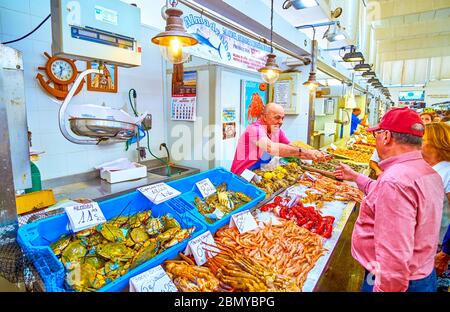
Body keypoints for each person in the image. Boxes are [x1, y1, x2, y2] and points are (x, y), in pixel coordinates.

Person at [334, 107, 444, 292]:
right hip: (422, 273)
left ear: (386, 136)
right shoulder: (426, 171)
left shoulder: (394, 181)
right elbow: (382, 193)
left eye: (376, 134)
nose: (375, 138)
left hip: (397, 282)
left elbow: (394, 258)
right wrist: (355, 177)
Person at [230, 102, 327, 175]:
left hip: (258, 173)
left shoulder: (276, 131)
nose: (281, 122)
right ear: (264, 117)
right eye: (277, 117)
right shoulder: (254, 129)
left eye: (282, 118)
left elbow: (290, 147)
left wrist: (313, 153)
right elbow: (270, 148)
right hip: (241, 175)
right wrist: (305, 152)